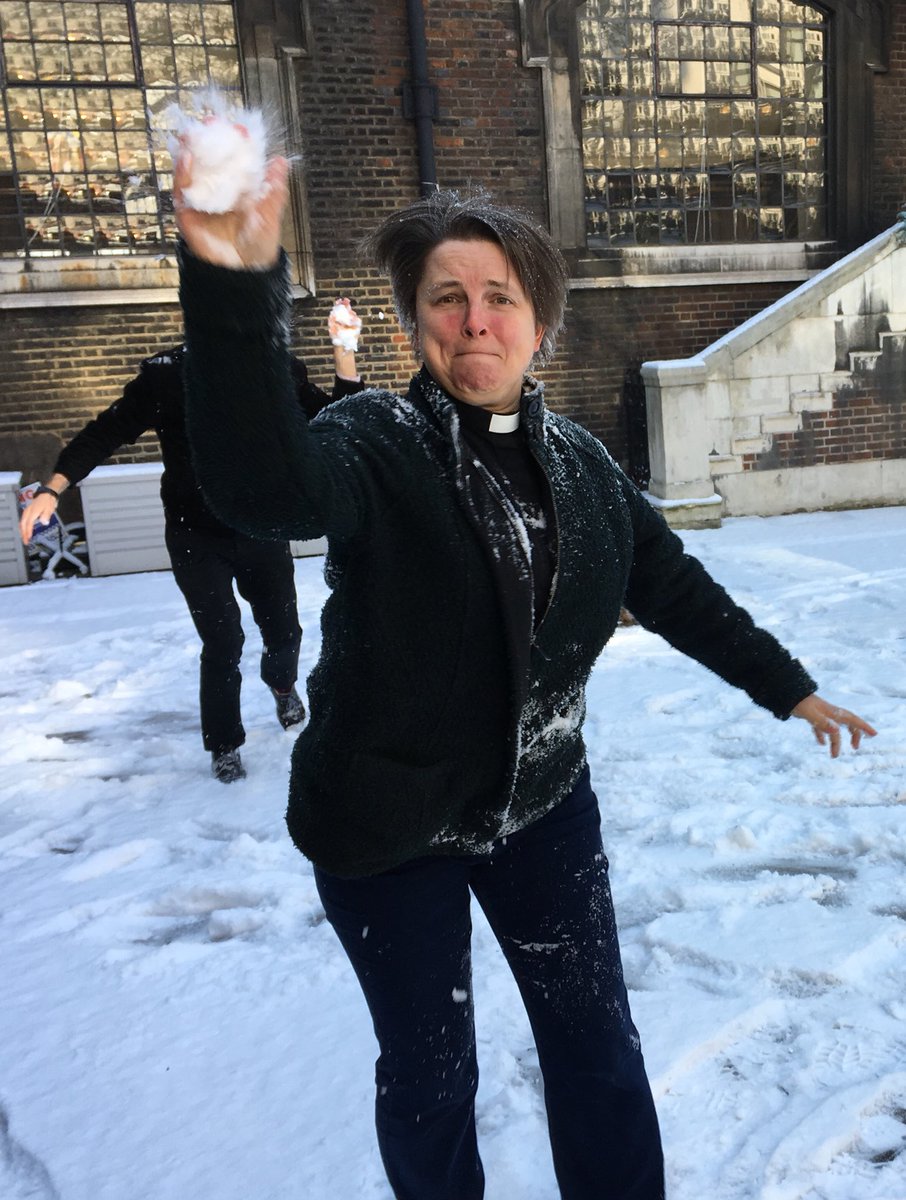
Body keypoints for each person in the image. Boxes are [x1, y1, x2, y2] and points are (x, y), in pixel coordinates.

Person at [173, 148, 876, 1199]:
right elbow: (267, 490)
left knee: (596, 1044)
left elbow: (674, 586)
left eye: (499, 297)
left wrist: (788, 685)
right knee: (430, 1071)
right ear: (416, 324)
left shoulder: (585, 467)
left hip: (539, 807)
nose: (474, 320)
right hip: (386, 826)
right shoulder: (374, 440)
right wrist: (234, 284)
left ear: (539, 322)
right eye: (446, 299)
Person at [20, 306, 364, 784]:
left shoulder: (276, 374)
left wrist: (344, 350)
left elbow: (342, 420)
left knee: (284, 633)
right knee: (222, 642)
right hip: (194, 534)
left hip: (261, 529)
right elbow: (106, 432)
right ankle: (225, 743)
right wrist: (53, 487)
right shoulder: (165, 379)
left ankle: (283, 685)